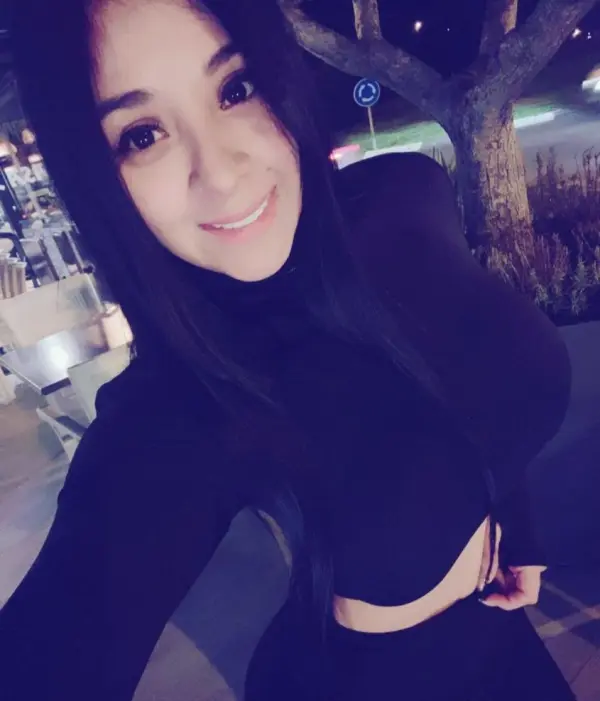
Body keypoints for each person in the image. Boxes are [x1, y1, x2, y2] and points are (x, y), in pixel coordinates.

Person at [0, 0, 574, 699]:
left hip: (506, 632)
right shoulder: (179, 404)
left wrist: (517, 526)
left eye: (235, 88)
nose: (221, 172)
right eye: (142, 135)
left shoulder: (403, 191)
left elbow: (463, 376)